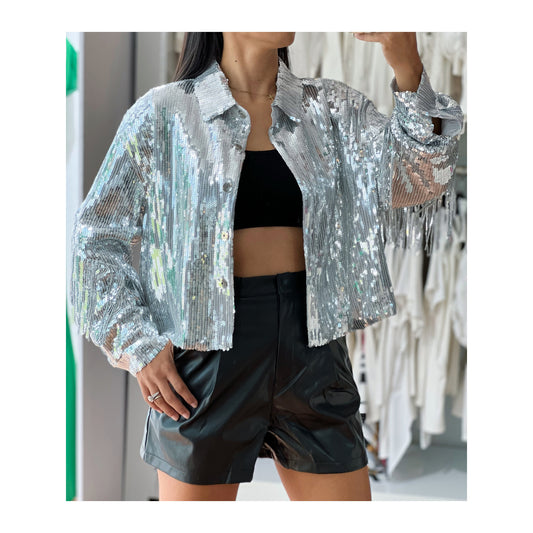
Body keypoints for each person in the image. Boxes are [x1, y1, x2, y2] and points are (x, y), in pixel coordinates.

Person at [70, 32, 463, 501]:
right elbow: (95, 241)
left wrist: (407, 64)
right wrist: (137, 346)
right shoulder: (163, 114)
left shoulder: (332, 109)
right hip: (207, 361)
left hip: (315, 352)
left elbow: (419, 180)